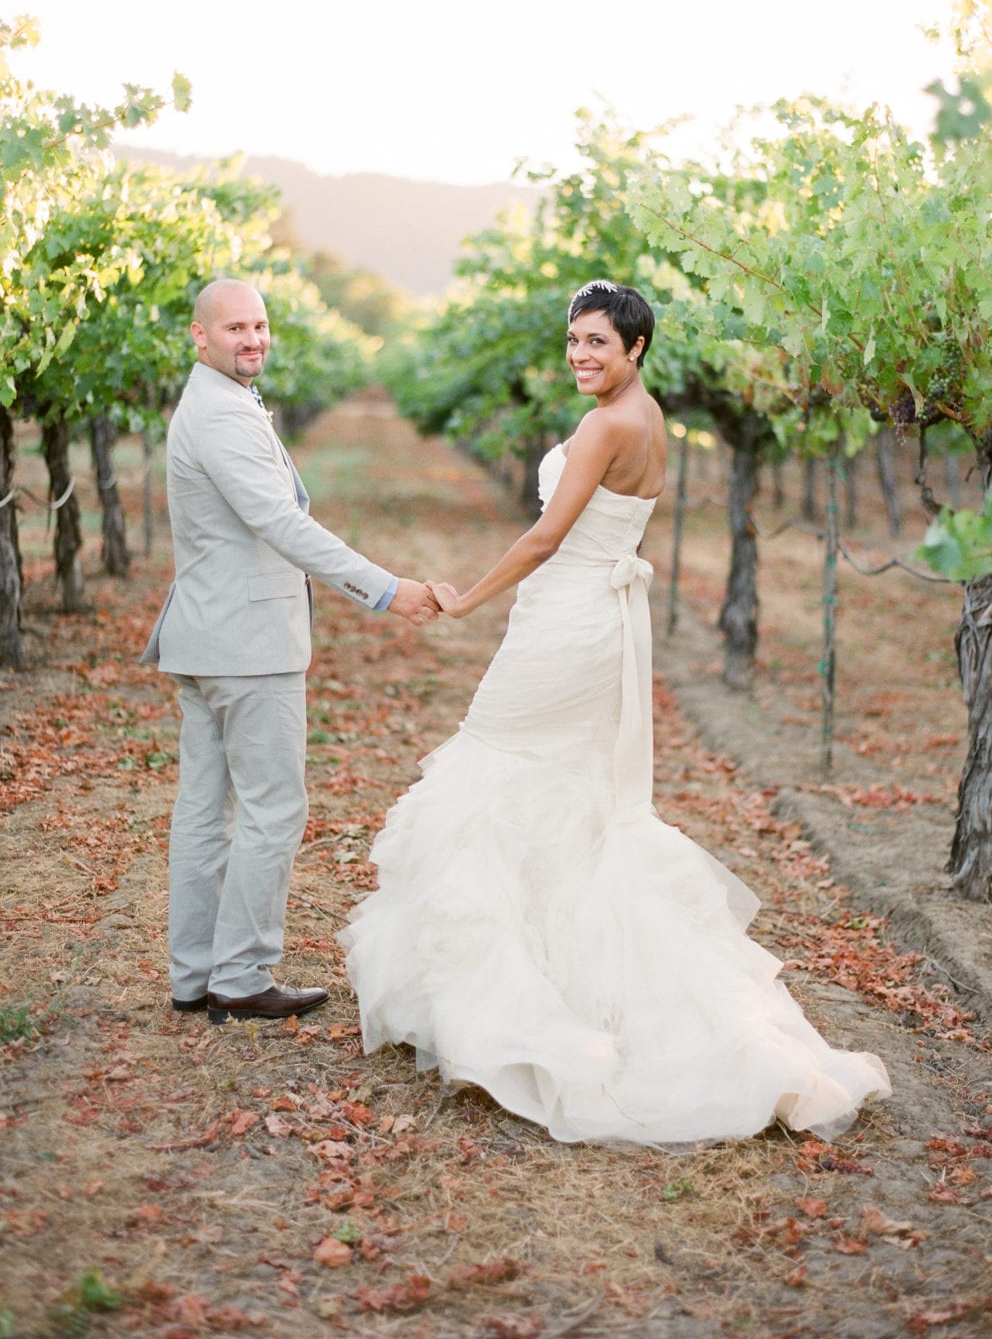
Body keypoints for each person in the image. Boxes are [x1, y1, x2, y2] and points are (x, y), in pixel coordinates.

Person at [340, 280, 891, 1145]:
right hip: (594, 619)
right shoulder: (652, 415)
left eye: (598, 342)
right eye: (573, 340)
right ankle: (554, 972)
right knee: (559, 790)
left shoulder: (606, 425)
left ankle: (521, 999)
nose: (580, 356)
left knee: (494, 765)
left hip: (567, 620)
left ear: (636, 348)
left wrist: (466, 599)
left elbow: (546, 538)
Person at [142, 277, 439, 1026]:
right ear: (198, 336)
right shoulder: (221, 415)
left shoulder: (213, 403)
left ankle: (195, 974)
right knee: (273, 807)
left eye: (260, 326)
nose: (252, 339)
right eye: (235, 328)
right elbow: (281, 523)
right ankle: (240, 977)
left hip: (209, 636)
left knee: (205, 810)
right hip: (245, 646)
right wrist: (383, 587)